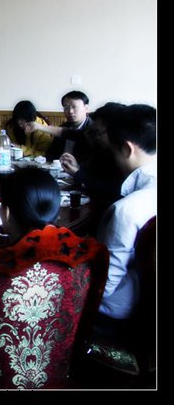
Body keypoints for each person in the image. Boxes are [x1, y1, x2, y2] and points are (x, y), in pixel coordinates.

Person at [95, 104, 156, 331]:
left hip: (127, 310)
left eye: (114, 152)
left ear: (127, 148)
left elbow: (106, 285)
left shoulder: (127, 210)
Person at [60, 102, 127, 213]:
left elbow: (113, 189)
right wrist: (78, 168)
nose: (97, 137)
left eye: (100, 133)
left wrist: (78, 173)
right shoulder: (102, 148)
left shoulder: (123, 156)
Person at [29, 91, 92, 163]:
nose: (70, 111)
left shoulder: (92, 130)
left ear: (86, 108)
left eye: (74, 107)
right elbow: (52, 153)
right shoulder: (62, 127)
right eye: (66, 107)